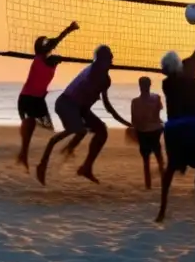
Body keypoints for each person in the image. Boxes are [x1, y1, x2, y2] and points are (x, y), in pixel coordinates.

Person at [37, 45, 131, 186]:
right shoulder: (93, 73)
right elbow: (86, 93)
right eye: (109, 57)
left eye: (111, 56)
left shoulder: (105, 79)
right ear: (100, 60)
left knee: (101, 131)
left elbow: (108, 107)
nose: (112, 58)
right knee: (78, 130)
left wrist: (128, 124)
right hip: (66, 104)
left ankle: (86, 167)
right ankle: (42, 164)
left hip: (81, 108)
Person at [156, 19, 195, 223]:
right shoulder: (189, 68)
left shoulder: (166, 83)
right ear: (179, 63)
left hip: (173, 130)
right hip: (193, 127)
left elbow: (169, 71)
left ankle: (162, 211)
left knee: (170, 169)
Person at [16, 21, 78, 170]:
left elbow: (53, 49)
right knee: (31, 124)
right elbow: (53, 43)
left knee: (47, 127)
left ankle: (23, 153)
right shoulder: (39, 59)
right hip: (26, 98)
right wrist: (68, 29)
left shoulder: (53, 61)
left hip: (37, 100)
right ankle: (24, 153)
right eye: (46, 46)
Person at [130, 76, 166, 189]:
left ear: (140, 86)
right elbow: (157, 117)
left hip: (144, 132)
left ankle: (148, 186)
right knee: (159, 158)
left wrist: (135, 131)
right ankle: (164, 183)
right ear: (149, 85)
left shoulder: (135, 102)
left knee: (146, 162)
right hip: (154, 130)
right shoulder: (156, 98)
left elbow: (134, 121)